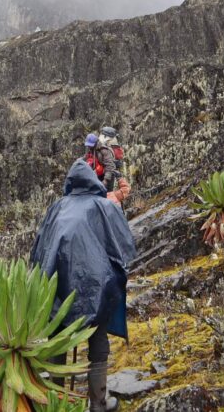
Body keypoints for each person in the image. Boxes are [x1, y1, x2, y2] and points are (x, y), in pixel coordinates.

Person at [30, 159, 136, 412]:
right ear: (92, 181)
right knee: (97, 338)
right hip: (95, 290)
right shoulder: (104, 206)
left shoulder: (57, 207)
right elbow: (125, 248)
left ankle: (56, 402)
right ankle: (98, 403)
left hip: (56, 289)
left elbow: (38, 249)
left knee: (58, 338)